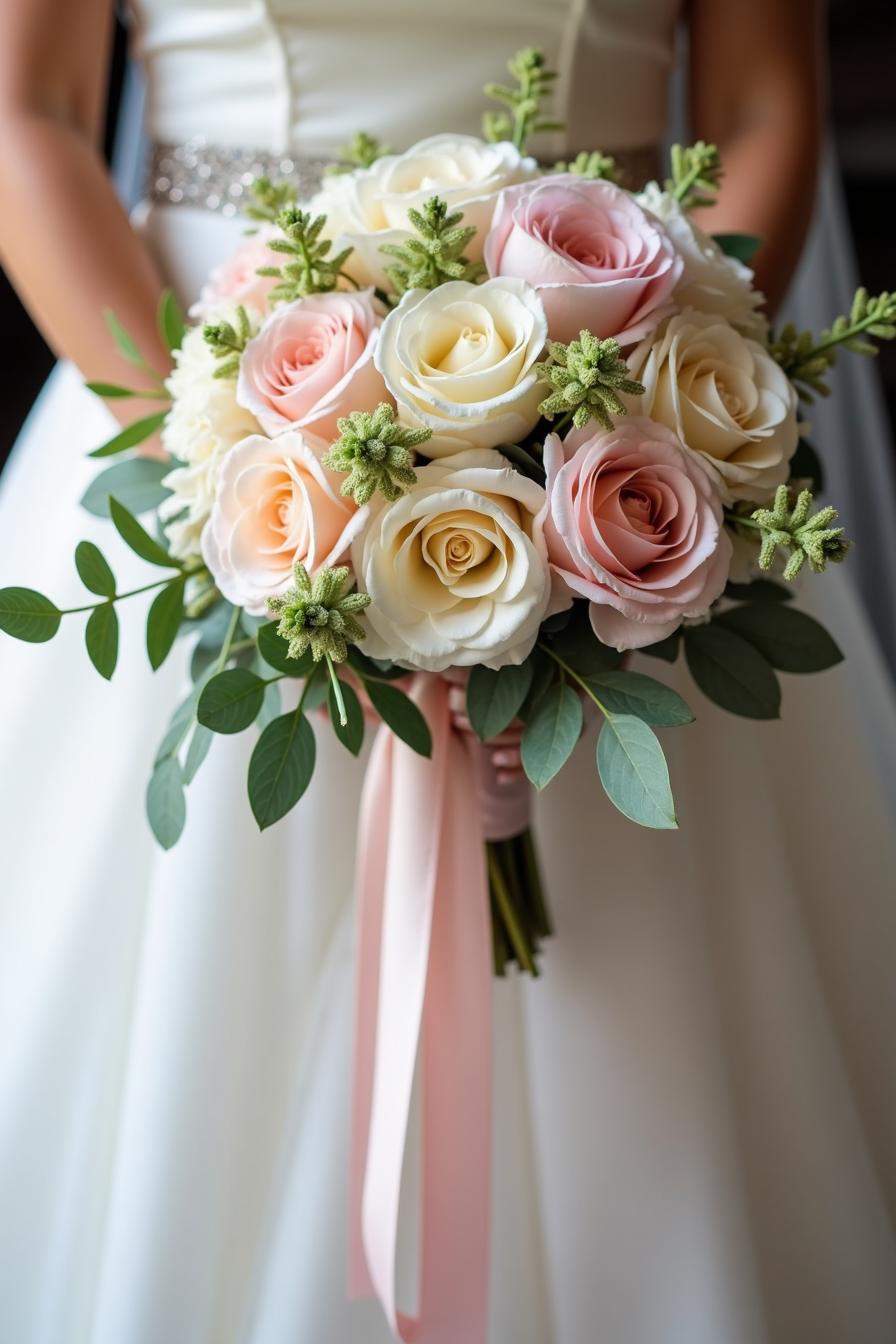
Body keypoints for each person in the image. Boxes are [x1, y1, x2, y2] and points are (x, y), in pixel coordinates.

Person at [1, 2, 895, 1341]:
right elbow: (33, 116)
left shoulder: (621, 433)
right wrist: (238, 480)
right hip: (193, 422)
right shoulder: (221, 469)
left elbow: (763, 107)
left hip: (620, 441)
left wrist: (629, 427)